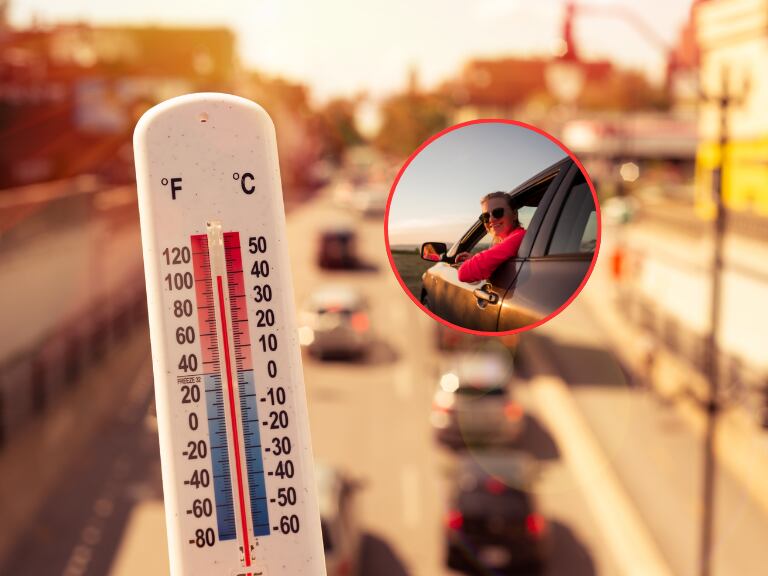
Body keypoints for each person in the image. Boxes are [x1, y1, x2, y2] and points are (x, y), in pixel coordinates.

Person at [455, 191, 525, 283]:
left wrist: (475, 261)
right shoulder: (514, 240)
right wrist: (475, 259)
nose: (491, 219)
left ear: (514, 214)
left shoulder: (519, 237)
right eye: (485, 216)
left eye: (498, 212)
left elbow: (463, 273)